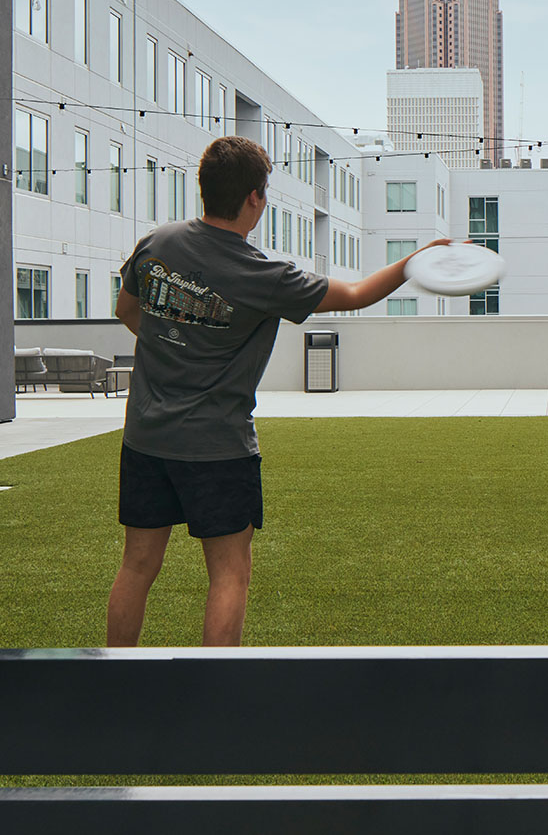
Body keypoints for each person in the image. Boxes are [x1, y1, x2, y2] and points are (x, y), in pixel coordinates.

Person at [107, 135, 449, 647]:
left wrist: (179, 348)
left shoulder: (157, 243)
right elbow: (355, 295)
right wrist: (415, 261)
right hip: (217, 447)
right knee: (229, 575)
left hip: (145, 436)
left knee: (137, 564)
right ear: (253, 198)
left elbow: (127, 312)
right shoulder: (262, 275)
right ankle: (217, 699)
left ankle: (111, 683)